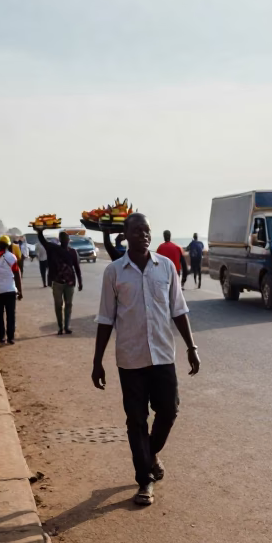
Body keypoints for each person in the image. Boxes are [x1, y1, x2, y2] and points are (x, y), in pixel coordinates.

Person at [91, 213, 200, 506]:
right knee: (136, 420)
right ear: (125, 234)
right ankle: (144, 480)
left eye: (147, 230)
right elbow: (105, 318)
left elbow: (179, 309)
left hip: (163, 355)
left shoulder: (165, 267)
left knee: (169, 410)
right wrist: (97, 360)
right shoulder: (114, 272)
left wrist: (192, 347)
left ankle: (149, 453)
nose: (144, 234)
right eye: (137, 230)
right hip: (131, 358)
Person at [33, 226, 83, 334]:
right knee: (58, 305)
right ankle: (60, 327)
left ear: (69, 240)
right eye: (63, 238)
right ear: (60, 240)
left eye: (66, 238)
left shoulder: (73, 252)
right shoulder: (54, 249)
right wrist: (40, 232)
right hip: (57, 281)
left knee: (69, 304)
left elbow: (77, 268)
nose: (65, 240)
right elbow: (43, 241)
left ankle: (67, 326)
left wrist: (80, 281)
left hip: (69, 282)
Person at [0, 235, 23, 344]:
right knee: (10, 315)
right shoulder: (12, 257)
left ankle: (1, 337)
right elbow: (17, 274)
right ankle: (11, 338)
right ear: (8, 245)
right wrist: (20, 291)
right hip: (10, 290)